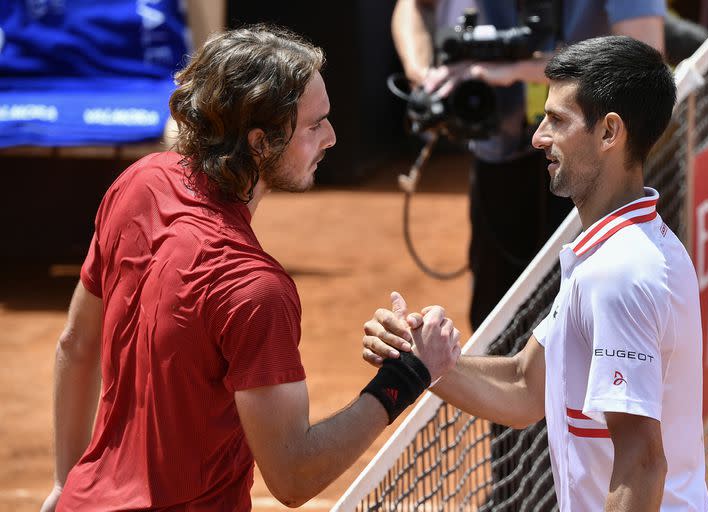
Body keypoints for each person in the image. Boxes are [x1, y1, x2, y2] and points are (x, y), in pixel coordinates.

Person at [41, 25, 461, 512]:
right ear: (260, 142)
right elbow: (293, 475)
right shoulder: (254, 289)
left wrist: (63, 482)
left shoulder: (138, 182)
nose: (331, 137)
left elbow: (77, 341)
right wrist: (407, 375)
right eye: (313, 125)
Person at [363, 36, 708, 511]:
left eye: (558, 120)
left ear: (610, 133)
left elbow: (641, 461)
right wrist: (421, 361)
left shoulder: (621, 272)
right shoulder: (617, 252)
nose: (538, 137)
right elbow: (526, 386)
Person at [392, 0, 666, 330]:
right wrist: (423, 75)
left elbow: (645, 60)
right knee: (494, 315)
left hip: (590, 170)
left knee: (584, 316)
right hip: (496, 154)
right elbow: (412, 6)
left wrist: (515, 70)